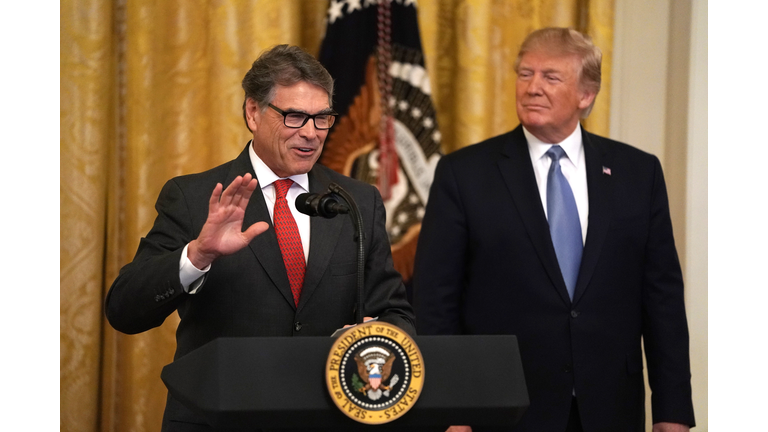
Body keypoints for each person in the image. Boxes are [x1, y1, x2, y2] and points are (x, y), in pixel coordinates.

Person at [105, 44, 415, 431]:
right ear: (253, 112)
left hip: (328, 419)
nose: (311, 133)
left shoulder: (357, 201)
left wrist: (371, 335)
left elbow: (395, 312)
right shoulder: (194, 197)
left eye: (322, 119)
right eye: (295, 116)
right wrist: (197, 255)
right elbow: (124, 310)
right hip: (220, 420)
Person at [413, 28, 695, 432]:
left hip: (609, 407)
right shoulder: (465, 174)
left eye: (551, 77)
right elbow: (435, 301)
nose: (532, 88)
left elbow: (663, 299)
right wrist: (449, 408)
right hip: (502, 406)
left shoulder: (638, 173)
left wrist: (672, 411)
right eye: (525, 74)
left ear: (586, 95)